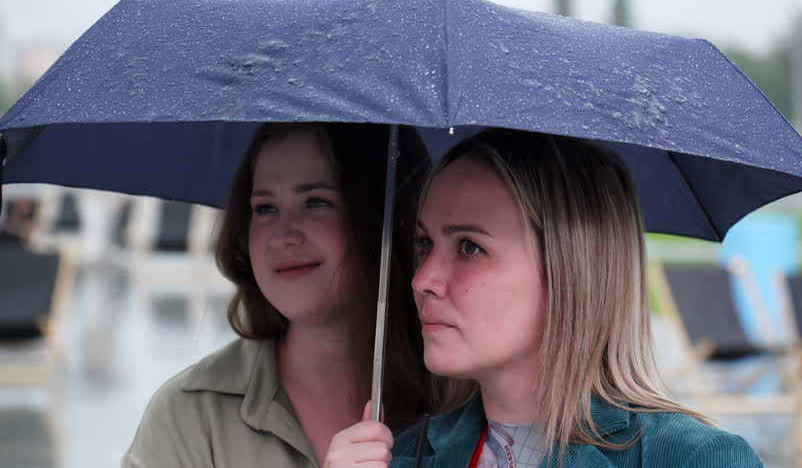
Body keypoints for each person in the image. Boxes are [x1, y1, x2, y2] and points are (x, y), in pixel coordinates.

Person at [379, 128, 762, 467]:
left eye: (469, 247)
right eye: (424, 244)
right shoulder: (397, 456)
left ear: (570, 269)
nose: (422, 279)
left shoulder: (696, 459)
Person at [122, 123, 452, 467]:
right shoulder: (187, 416)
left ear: (386, 215)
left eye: (316, 202)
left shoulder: (467, 403)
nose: (283, 235)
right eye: (265, 208)